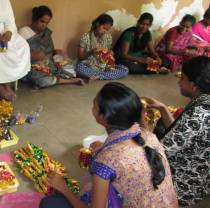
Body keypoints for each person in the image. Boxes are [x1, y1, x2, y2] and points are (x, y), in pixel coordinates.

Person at [40, 82, 178, 208]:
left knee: (50, 203)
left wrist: (63, 188)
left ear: (103, 116)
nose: (92, 106)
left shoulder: (105, 161)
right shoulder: (149, 136)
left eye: (94, 104)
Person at [144, 56, 210, 206]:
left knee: (130, 166)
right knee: (162, 122)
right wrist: (163, 108)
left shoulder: (200, 113)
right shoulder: (204, 101)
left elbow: (160, 152)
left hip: (185, 184)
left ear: (194, 85)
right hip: (198, 169)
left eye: (183, 78)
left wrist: (140, 128)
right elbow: (182, 134)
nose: (179, 82)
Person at [18, 5, 83, 88]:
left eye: (47, 23)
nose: (44, 25)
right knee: (39, 77)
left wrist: (57, 52)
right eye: (42, 21)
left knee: (70, 69)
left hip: (49, 64)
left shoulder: (46, 33)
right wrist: (32, 55)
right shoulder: (24, 31)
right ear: (34, 19)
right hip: (33, 67)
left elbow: (50, 51)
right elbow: (17, 54)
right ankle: (67, 81)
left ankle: (49, 80)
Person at [77, 14, 129, 80]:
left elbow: (109, 53)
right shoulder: (85, 37)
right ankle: (105, 75)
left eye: (107, 30)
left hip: (104, 66)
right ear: (97, 24)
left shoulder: (108, 37)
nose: (105, 31)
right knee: (79, 68)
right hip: (90, 66)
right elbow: (80, 57)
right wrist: (91, 52)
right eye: (104, 28)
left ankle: (98, 76)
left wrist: (111, 53)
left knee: (125, 69)